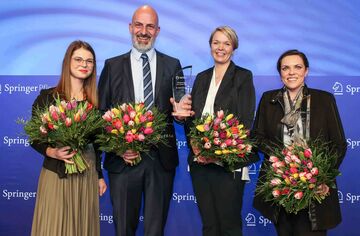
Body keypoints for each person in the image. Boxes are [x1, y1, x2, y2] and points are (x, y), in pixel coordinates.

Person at [98, 5, 191, 236]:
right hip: (123, 160)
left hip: (161, 160)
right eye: (139, 25)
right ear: (130, 27)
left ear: (157, 30)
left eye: (150, 26)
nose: (144, 31)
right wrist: (119, 148)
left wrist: (181, 116)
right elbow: (101, 115)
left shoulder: (173, 65)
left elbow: (180, 112)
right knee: (124, 229)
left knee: (154, 230)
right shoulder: (112, 66)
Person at [252, 49, 347, 236]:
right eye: (285, 68)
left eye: (297, 67)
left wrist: (322, 177)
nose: (291, 72)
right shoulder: (268, 99)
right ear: (280, 74)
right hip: (280, 186)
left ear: (306, 71)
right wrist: (283, 156)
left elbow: (338, 144)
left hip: (315, 187)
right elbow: (257, 137)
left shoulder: (324, 100)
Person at [185, 26, 258, 236]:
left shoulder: (243, 76)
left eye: (226, 43)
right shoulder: (201, 77)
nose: (221, 48)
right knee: (209, 225)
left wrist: (215, 152)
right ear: (210, 46)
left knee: (229, 226)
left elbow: (243, 121)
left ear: (233, 48)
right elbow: (193, 118)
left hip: (228, 164)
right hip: (200, 163)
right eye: (216, 42)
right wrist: (196, 146)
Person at [30, 40, 107, 236]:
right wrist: (52, 152)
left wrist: (99, 175)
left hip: (87, 174)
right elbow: (34, 138)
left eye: (89, 61)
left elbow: (98, 145)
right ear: (68, 62)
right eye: (79, 59)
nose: (84, 65)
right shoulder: (47, 98)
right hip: (57, 174)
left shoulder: (95, 104)